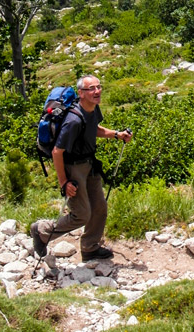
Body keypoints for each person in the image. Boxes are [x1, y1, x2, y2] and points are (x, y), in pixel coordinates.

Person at [31, 75, 132, 262]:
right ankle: (42, 231)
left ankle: (90, 247)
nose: (97, 91)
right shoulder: (73, 121)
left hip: (89, 163)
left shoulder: (92, 109)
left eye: (98, 87)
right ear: (81, 93)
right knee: (82, 214)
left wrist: (117, 135)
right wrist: (64, 182)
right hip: (73, 167)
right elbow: (57, 152)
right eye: (91, 89)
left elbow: (94, 129)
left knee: (99, 207)